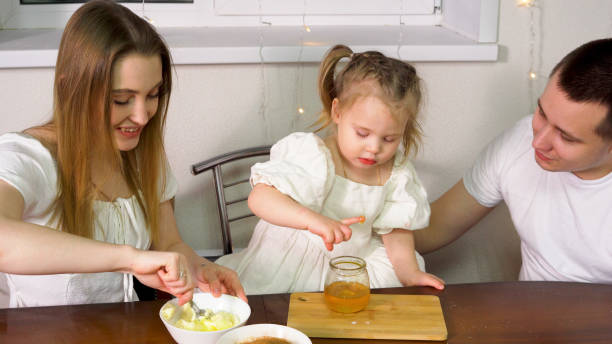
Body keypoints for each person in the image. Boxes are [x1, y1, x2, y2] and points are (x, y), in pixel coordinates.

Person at [0, 0, 245, 308]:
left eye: (153, 94)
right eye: (121, 100)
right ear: (71, 88)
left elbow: (169, 243)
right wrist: (128, 259)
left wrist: (202, 269)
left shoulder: (143, 156)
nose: (142, 117)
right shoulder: (28, 157)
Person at [216, 44, 445, 294]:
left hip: (350, 264)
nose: (373, 148)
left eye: (389, 139)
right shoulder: (314, 156)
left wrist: (409, 273)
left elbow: (396, 232)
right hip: (293, 261)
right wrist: (312, 221)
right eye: (362, 133)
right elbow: (260, 199)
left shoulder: (396, 173)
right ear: (337, 112)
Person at [414, 38, 612, 283]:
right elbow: (435, 227)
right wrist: (358, 236)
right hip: (526, 314)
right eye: (541, 112)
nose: (537, 142)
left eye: (566, 137)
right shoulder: (518, 140)